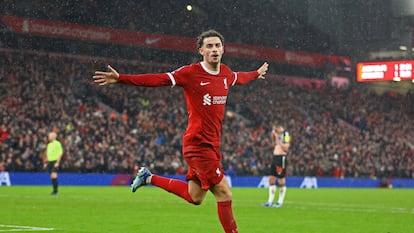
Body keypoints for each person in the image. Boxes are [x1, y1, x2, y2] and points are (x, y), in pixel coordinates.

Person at [93, 29, 268, 233]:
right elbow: (158, 79)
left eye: (217, 46)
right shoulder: (191, 73)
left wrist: (256, 73)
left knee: (196, 197)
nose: (214, 49)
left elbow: (241, 77)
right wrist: (122, 78)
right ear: (201, 50)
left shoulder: (226, 73)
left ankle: (148, 177)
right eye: (209, 46)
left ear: (223, 49)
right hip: (198, 144)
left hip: (212, 145)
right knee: (224, 193)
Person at [262, 124, 290, 208]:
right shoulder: (278, 136)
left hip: (281, 159)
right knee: (271, 179)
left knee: (281, 179)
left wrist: (278, 138)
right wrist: (273, 138)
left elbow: (286, 148)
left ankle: (279, 202)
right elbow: (274, 146)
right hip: (275, 158)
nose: (275, 130)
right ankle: (270, 201)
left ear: (280, 128)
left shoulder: (286, 135)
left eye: (277, 128)